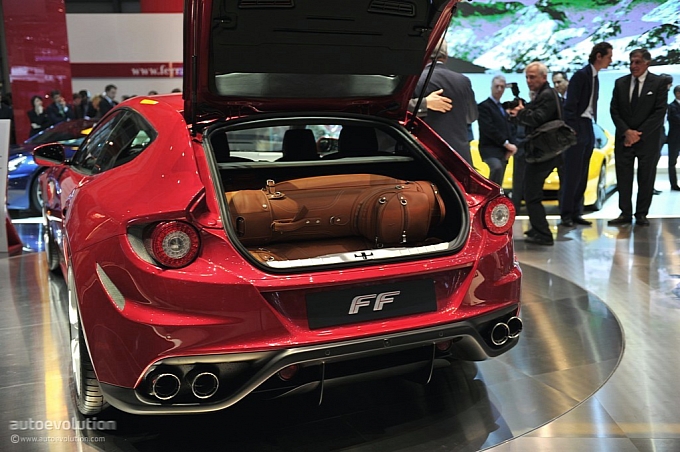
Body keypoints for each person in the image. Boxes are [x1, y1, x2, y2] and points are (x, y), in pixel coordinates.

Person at [608, 49, 669, 226]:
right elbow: (614, 110)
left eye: (637, 62)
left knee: (646, 178)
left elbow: (659, 112)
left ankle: (641, 213)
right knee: (623, 177)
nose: (633, 66)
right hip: (624, 139)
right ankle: (625, 213)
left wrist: (637, 134)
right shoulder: (620, 83)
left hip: (648, 140)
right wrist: (627, 132)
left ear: (647, 63)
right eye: (631, 62)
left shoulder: (658, 83)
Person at [508, 61, 563, 246]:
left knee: (531, 192)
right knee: (531, 191)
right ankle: (537, 228)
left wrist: (521, 112)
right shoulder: (545, 94)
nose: (529, 81)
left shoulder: (547, 95)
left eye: (532, 77)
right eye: (527, 77)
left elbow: (537, 118)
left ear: (543, 77)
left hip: (544, 152)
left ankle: (543, 233)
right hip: (543, 150)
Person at [559, 42, 613, 227]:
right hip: (578, 125)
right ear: (599, 56)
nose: (610, 60)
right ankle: (566, 214)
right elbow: (570, 105)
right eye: (608, 57)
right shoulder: (581, 75)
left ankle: (577, 212)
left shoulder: (594, 76)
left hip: (588, 124)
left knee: (583, 172)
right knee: (572, 173)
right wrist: (572, 128)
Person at [414, 39, 478, 164]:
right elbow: (472, 116)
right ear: (446, 56)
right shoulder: (463, 81)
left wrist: (424, 104)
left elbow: (398, 110)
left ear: (425, 54)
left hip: (426, 155)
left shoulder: (415, 80)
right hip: (459, 157)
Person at [477, 75, 517, 185]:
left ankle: (496, 195)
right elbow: (488, 129)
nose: (499, 89)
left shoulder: (502, 108)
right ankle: (491, 195)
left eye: (502, 87)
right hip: (490, 149)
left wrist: (510, 145)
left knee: (500, 179)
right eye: (497, 86)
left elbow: (509, 128)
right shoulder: (484, 106)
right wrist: (506, 144)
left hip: (503, 150)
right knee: (497, 168)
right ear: (491, 87)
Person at [667, 84, 680, 191]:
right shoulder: (671, 107)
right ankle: (674, 184)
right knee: (672, 162)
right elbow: (676, 119)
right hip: (675, 138)